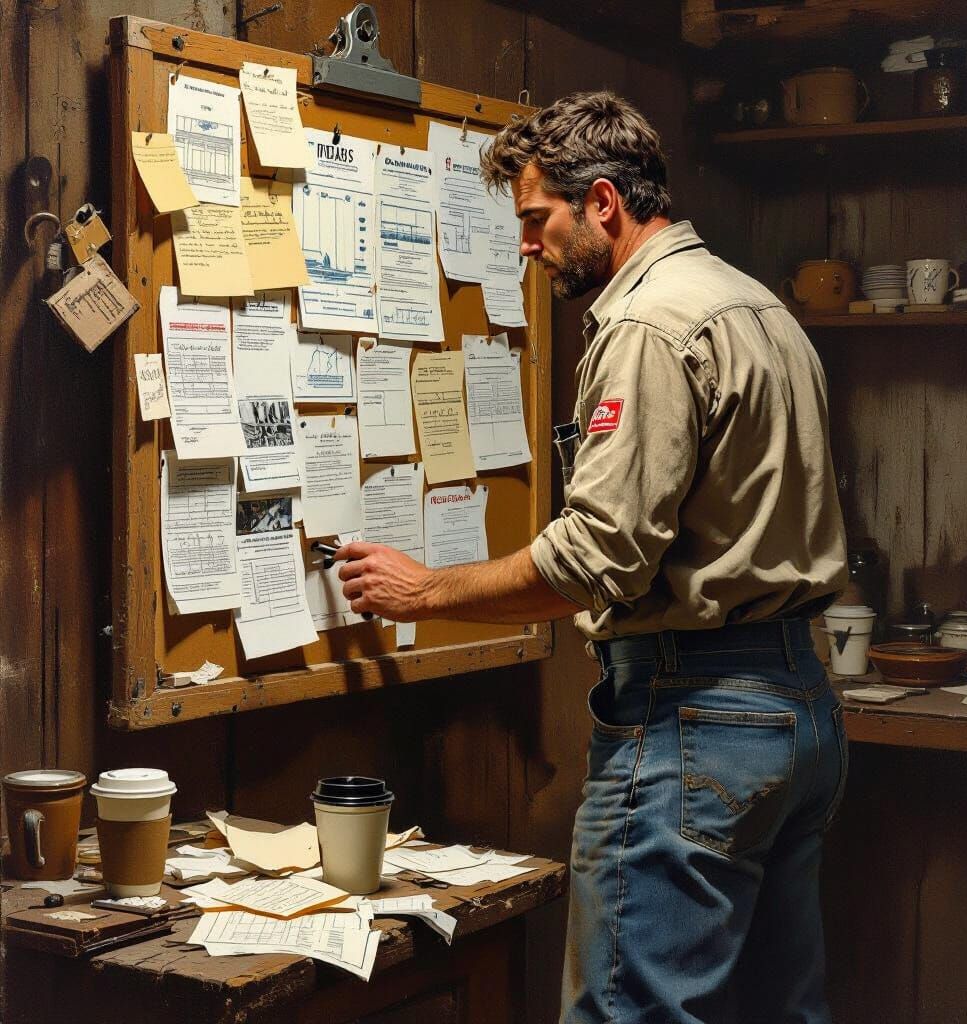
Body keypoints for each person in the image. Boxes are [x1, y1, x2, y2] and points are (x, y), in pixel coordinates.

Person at [335, 91, 848, 1024]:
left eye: (537, 219)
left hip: (695, 713)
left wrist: (426, 590)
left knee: (628, 1011)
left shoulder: (648, 325)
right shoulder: (758, 306)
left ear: (603, 203)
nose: (526, 245)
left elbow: (599, 555)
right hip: (796, 706)